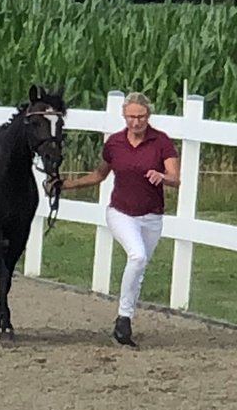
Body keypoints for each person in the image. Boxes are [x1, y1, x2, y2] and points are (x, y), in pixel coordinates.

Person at [47, 92, 180, 346]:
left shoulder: (161, 142)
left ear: (148, 116)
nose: (136, 122)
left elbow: (176, 177)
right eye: (131, 117)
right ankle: (124, 319)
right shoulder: (115, 143)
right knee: (137, 256)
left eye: (140, 117)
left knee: (138, 267)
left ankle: (124, 319)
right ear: (124, 116)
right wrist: (66, 185)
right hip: (120, 212)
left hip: (151, 217)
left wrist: (163, 176)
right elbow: (99, 175)